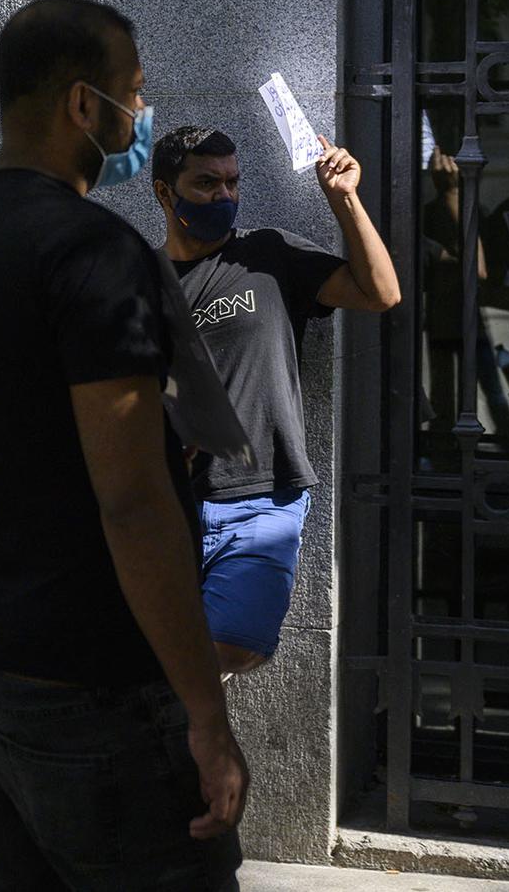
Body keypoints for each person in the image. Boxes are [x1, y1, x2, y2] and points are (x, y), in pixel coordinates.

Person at [0, 0, 247, 890]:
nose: (141, 115)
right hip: (88, 684)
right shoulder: (97, 255)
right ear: (85, 105)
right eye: (135, 92)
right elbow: (132, 498)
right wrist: (206, 713)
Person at [150, 123, 399, 677]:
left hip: (262, 497)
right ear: (166, 193)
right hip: (164, 506)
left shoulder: (268, 255)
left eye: (233, 183)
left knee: (235, 645)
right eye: (207, 184)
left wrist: (345, 200)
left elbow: (381, 292)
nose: (225, 196)